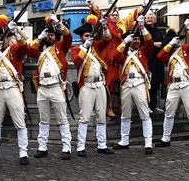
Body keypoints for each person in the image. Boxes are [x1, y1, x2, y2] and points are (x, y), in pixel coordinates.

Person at [0, 17, 31, 164]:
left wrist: (16, 34)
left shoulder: (14, 49)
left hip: (12, 86)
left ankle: (23, 153)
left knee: (19, 122)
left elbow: (25, 49)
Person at [26, 16, 73, 159]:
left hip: (56, 87)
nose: (50, 37)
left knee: (62, 119)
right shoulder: (39, 50)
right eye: (48, 34)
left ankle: (66, 147)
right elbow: (28, 50)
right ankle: (42, 146)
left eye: (52, 34)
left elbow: (68, 37)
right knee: (43, 119)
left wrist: (58, 23)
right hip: (42, 88)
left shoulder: (60, 46)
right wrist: (39, 38)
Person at [154, 18, 189, 150]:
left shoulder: (186, 49)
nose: (178, 42)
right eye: (175, 40)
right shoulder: (168, 53)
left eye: (178, 40)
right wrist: (170, 44)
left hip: (186, 84)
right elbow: (160, 57)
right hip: (173, 85)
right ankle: (165, 138)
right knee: (169, 113)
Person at [71, 19, 115, 156]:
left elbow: (107, 40)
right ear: (81, 37)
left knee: (101, 116)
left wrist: (105, 27)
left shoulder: (97, 47)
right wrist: (85, 47)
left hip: (100, 84)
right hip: (86, 85)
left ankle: (102, 144)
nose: (88, 37)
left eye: (90, 35)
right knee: (84, 117)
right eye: (86, 36)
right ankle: (81, 146)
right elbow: (77, 61)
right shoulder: (76, 49)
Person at [112, 20, 155, 152]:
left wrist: (142, 28)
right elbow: (115, 56)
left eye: (138, 39)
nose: (137, 41)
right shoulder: (124, 53)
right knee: (125, 114)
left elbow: (150, 42)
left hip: (139, 83)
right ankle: (124, 141)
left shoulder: (143, 51)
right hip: (126, 84)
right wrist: (124, 42)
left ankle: (148, 143)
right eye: (134, 39)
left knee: (145, 114)